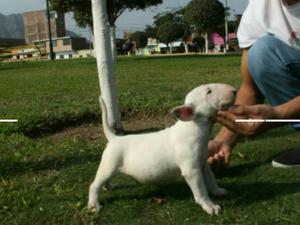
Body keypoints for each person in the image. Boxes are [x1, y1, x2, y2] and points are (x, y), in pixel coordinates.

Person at [208, 0, 300, 168]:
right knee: (261, 52)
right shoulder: (260, 6)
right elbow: (250, 89)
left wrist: (278, 114)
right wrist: (222, 142)